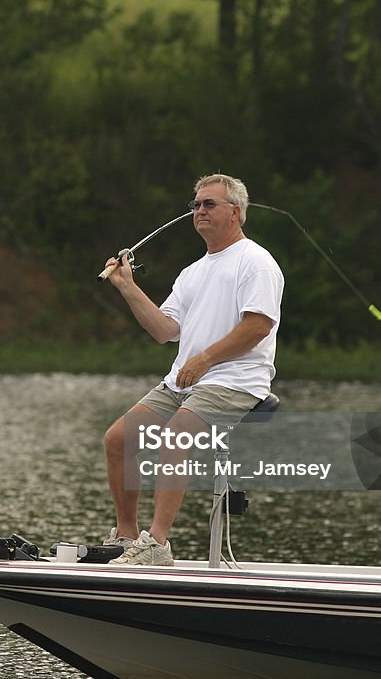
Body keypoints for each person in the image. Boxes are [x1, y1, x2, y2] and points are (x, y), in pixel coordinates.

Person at [100, 173, 283, 566]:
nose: (198, 210)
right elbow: (165, 331)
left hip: (236, 379)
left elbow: (258, 326)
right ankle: (126, 536)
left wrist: (204, 360)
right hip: (184, 380)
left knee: (174, 437)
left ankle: (158, 545)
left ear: (235, 212)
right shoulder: (192, 271)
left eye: (208, 204)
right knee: (118, 439)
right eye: (195, 205)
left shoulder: (256, 262)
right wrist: (127, 287)